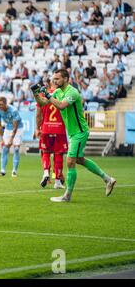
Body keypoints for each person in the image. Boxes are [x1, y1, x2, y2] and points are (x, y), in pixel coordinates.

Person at [31, 69, 116, 202]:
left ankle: (67, 196)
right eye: (54, 79)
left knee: (70, 161)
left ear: (66, 79)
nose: (54, 81)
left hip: (80, 132)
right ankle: (108, 179)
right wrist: (36, 94)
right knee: (79, 160)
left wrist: (47, 94)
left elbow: (61, 106)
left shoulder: (73, 92)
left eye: (57, 79)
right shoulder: (58, 91)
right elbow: (42, 103)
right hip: (72, 133)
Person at [34, 79, 67, 189]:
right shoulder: (63, 94)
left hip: (46, 128)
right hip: (59, 129)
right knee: (58, 154)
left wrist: (37, 128)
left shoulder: (43, 95)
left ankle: (46, 173)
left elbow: (38, 114)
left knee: (46, 152)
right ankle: (57, 181)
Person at [0, 96, 23, 178]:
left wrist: (11, 139)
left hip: (18, 128)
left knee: (16, 149)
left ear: (6, 103)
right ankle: (2, 170)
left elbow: (15, 127)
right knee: (5, 148)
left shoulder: (13, 111)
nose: (0, 106)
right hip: (7, 128)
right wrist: (2, 139)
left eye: (1, 104)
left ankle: (14, 171)